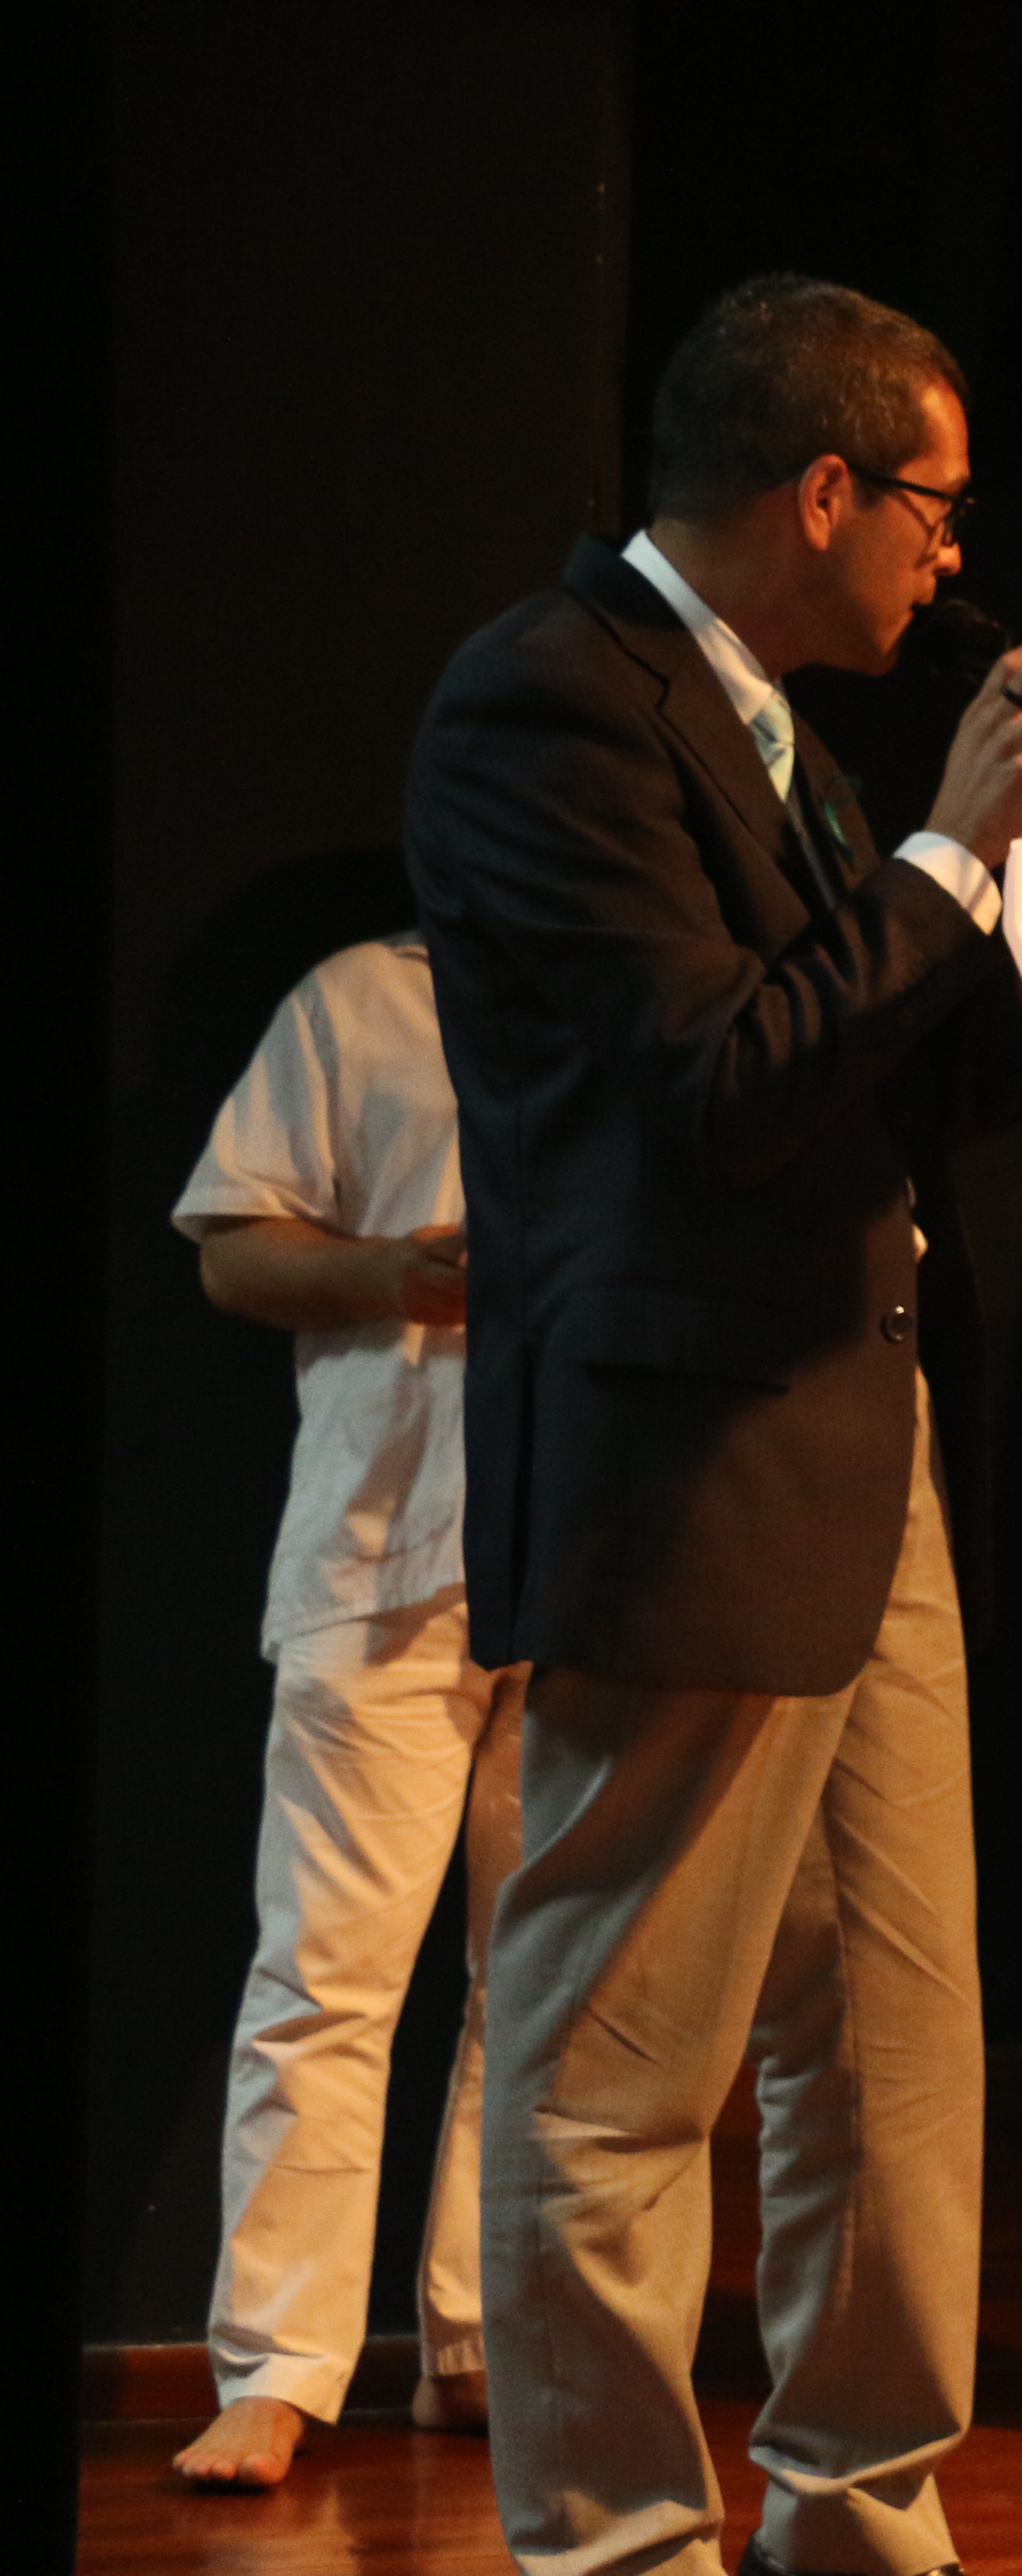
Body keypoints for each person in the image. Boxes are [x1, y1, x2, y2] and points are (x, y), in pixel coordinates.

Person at [409, 275, 1022, 2576]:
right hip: (692, 1456)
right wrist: (953, 848)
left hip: (861, 1444)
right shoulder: (552, 701)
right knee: (623, 2048)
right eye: (933, 501)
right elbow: (716, 1084)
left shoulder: (783, 741)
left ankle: (852, 2518)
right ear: (822, 487)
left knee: (893, 2030)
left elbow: (877, 1092)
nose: (954, 552)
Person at [167, 933, 524, 2493]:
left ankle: (481, 2337)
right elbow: (231, 1246)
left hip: (599, 1549)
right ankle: (276, 2367)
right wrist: (392, 1272)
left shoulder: (658, 981)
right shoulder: (364, 995)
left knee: (543, 1985)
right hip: (390, 1538)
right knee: (324, 1972)